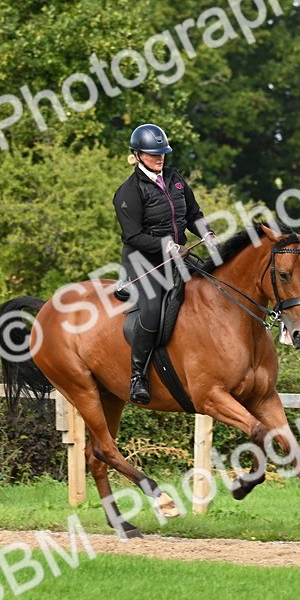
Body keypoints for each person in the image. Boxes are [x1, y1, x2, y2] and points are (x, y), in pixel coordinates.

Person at [113, 123, 217, 404]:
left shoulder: (175, 178)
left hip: (179, 256)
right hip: (144, 262)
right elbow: (133, 236)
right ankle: (138, 376)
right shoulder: (128, 192)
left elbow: (193, 212)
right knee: (152, 309)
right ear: (136, 154)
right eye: (152, 154)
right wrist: (167, 246)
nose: (160, 158)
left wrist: (206, 232)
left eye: (163, 153)